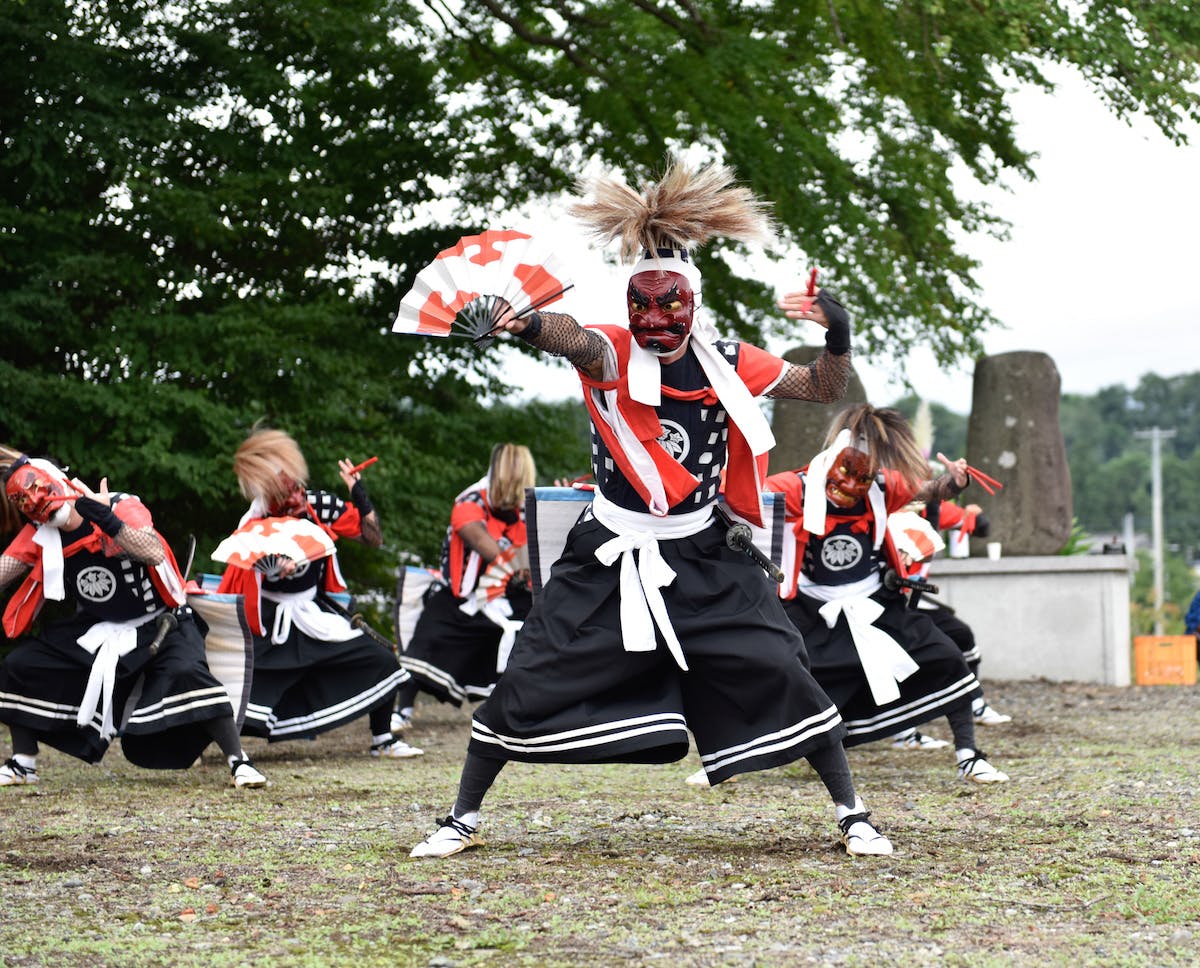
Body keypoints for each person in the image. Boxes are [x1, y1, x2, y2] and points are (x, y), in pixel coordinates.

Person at [409, 160, 893, 860]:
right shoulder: (610, 351)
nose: (658, 319)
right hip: (609, 546)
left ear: (694, 304)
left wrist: (839, 333)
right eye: (645, 304)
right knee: (533, 669)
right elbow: (572, 335)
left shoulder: (729, 360)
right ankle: (461, 816)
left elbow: (821, 386)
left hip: (704, 550)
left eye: (673, 306)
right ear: (629, 302)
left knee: (781, 665)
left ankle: (852, 811)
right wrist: (528, 323)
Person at [765, 405, 1009, 785]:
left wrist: (955, 482)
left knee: (946, 653)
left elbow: (930, 491)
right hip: (812, 608)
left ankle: (969, 755)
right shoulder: (794, 486)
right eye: (845, 473)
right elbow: (746, 500)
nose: (851, 486)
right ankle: (731, 758)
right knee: (775, 673)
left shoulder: (883, 487)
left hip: (877, 601)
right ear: (831, 459)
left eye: (863, 477)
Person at [0, 447, 267, 788]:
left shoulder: (119, 505)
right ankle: (23, 762)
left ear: (57, 481)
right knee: (21, 665)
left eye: (38, 490)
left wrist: (106, 520)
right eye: (23, 502)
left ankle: (238, 760)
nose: (35, 502)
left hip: (159, 620)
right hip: (100, 628)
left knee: (188, 671)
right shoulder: (40, 535)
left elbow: (153, 550)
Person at [216, 428, 420, 759]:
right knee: (237, 687)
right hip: (269, 623)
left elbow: (373, 539)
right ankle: (205, 738)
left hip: (313, 613)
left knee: (381, 658)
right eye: (284, 485)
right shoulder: (253, 524)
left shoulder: (318, 505)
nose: (294, 491)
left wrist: (358, 492)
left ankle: (383, 739)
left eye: (294, 482)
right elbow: (241, 574)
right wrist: (267, 567)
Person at [392, 443, 535, 727]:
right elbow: (480, 540)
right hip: (461, 594)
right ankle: (402, 710)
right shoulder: (470, 500)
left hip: (505, 595)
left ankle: (519, 710)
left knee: (533, 634)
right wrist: (513, 564)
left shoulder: (526, 507)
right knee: (426, 644)